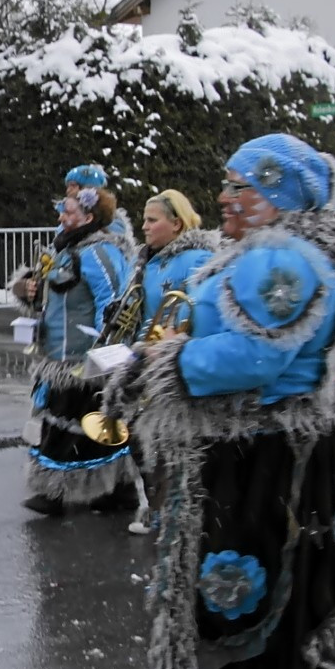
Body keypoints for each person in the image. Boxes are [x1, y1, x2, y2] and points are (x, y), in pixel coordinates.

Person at [101, 133, 335, 669]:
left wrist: (164, 364)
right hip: (272, 450)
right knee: (282, 609)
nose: (224, 198)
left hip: (271, 458)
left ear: (277, 195)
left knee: (270, 609)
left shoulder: (283, 258)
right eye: (227, 185)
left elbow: (253, 357)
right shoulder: (271, 252)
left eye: (240, 187)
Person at [13, 186, 135, 517]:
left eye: (69, 212)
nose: (61, 217)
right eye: (62, 211)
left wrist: (103, 354)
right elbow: (52, 296)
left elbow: (113, 305)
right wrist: (28, 290)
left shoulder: (100, 253)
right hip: (59, 355)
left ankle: (63, 493)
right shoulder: (67, 248)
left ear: (89, 217)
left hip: (82, 359)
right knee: (75, 425)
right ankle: (114, 490)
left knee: (82, 426)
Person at [120, 190, 218, 533]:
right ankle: (157, 505)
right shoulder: (147, 260)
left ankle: (173, 513)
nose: (144, 227)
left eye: (152, 220)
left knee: (170, 441)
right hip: (144, 358)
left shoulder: (198, 258)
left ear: (176, 224)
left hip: (172, 364)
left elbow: (202, 311)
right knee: (141, 439)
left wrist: (171, 342)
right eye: (144, 220)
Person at [66, 162, 139, 263]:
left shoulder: (112, 222)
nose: (68, 191)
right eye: (68, 186)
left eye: (73, 186)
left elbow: (109, 258)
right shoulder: (70, 218)